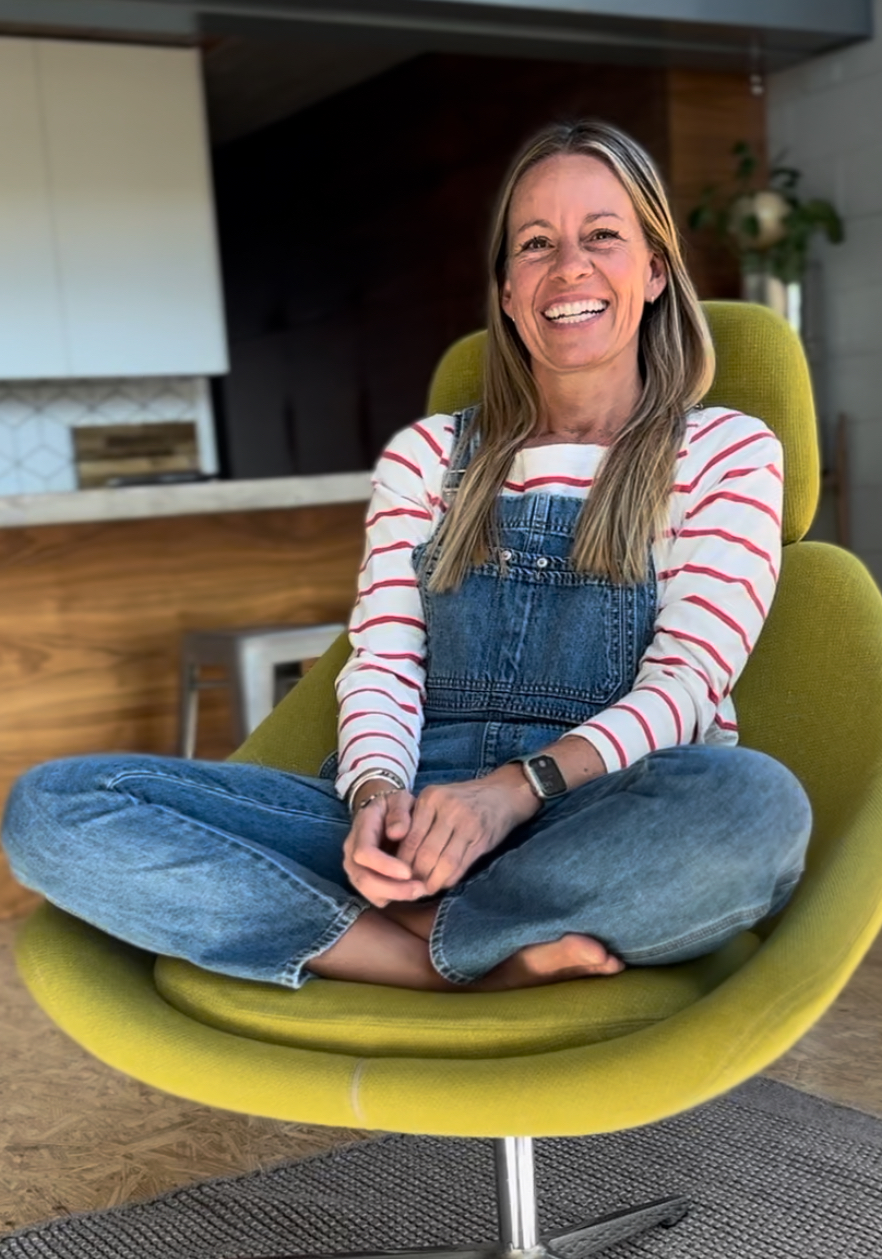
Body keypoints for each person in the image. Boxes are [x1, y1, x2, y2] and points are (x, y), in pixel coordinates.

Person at [2, 120, 812, 995]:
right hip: (407, 816)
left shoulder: (728, 450)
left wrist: (510, 793)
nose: (568, 267)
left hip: (587, 814)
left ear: (655, 270)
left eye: (602, 236)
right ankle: (444, 958)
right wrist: (376, 800)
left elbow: (689, 682)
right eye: (535, 244)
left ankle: (391, 932)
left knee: (753, 806)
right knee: (53, 809)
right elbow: (383, 661)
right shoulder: (429, 458)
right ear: (507, 291)